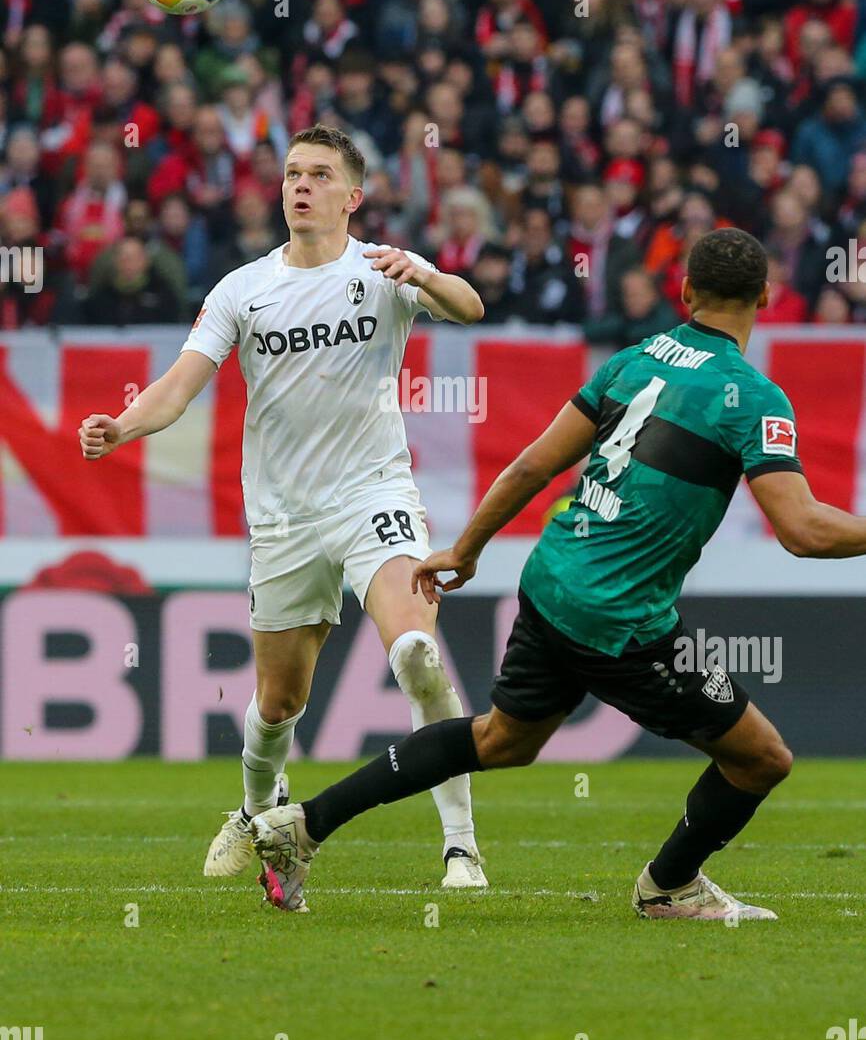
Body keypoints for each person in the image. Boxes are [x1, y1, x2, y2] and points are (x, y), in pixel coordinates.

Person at [249, 227, 866, 919]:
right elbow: (804, 531)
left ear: (686, 292)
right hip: (623, 621)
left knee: (500, 741)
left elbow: (532, 466)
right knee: (762, 759)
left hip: (550, 581)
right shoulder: (752, 398)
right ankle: (668, 887)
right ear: (765, 297)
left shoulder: (632, 361)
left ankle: (300, 826)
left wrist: (467, 548)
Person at [78, 125, 488, 894]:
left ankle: (461, 847)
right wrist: (119, 425)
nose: (301, 185)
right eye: (293, 173)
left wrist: (427, 280)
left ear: (352, 196)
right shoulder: (243, 288)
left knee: (416, 654)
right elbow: (178, 385)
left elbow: (471, 306)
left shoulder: (385, 267)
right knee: (279, 703)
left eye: (320, 175)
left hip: (374, 496)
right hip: (284, 518)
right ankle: (255, 816)